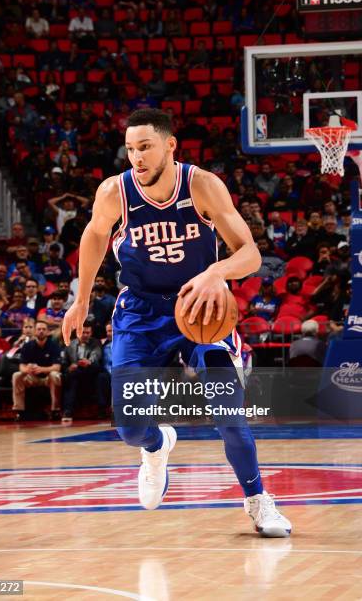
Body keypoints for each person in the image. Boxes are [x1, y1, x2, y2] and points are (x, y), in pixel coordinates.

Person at [62, 108, 292, 537]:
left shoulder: (202, 185)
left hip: (200, 309)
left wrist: (214, 273)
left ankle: (259, 501)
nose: (137, 157)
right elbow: (94, 236)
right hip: (140, 313)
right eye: (130, 149)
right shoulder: (115, 191)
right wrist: (81, 299)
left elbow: (251, 254)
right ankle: (156, 446)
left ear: (170, 145)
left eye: (145, 146)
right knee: (130, 429)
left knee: (230, 415)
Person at [12, 320, 62, 421]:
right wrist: (28, 369)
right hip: (32, 377)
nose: (41, 331)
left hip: (47, 378)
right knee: (17, 375)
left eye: (44, 329)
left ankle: (55, 410)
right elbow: (21, 367)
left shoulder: (54, 345)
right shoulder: (27, 346)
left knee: (55, 375)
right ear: (35, 331)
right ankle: (19, 411)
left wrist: (41, 369)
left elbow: (57, 367)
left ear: (48, 332)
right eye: (39, 329)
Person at [61, 320, 107, 421]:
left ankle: (102, 409)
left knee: (101, 375)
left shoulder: (96, 342)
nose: (85, 335)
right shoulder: (70, 344)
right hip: (76, 371)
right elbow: (64, 362)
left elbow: (96, 355)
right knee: (71, 375)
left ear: (91, 333)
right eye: (83, 332)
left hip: (92, 371)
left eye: (88, 333)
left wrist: (89, 362)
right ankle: (68, 410)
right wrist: (69, 367)